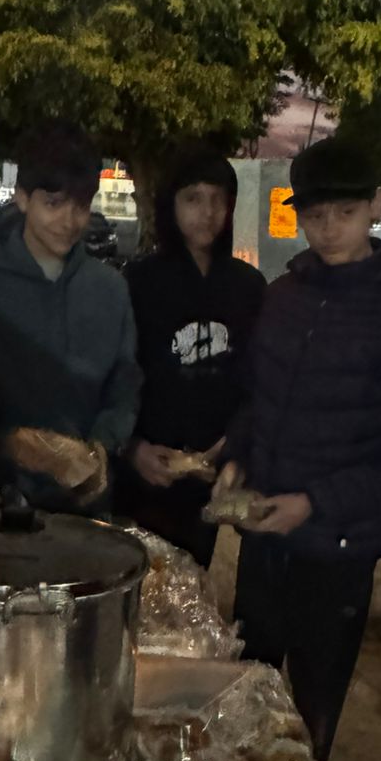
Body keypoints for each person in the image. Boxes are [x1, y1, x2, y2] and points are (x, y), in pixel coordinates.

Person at [217, 136, 381, 761]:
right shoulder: (285, 296)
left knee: (311, 718)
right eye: (314, 216)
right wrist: (238, 455)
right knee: (245, 697)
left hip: (338, 551)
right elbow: (256, 396)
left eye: (343, 214)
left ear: (376, 203)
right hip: (265, 538)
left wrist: (315, 503)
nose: (326, 230)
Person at [0, 125, 140, 512]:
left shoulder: (110, 290)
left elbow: (124, 386)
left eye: (81, 205)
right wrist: (8, 442)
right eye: (54, 203)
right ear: (22, 198)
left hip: (84, 508)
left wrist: (101, 450)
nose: (69, 221)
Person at [116, 145, 265, 565]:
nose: (208, 212)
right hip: (146, 476)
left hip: (211, 476)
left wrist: (235, 446)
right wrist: (132, 448)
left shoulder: (248, 287)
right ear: (171, 205)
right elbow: (117, 376)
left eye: (219, 199)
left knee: (191, 589)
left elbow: (253, 380)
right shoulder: (139, 283)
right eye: (193, 198)